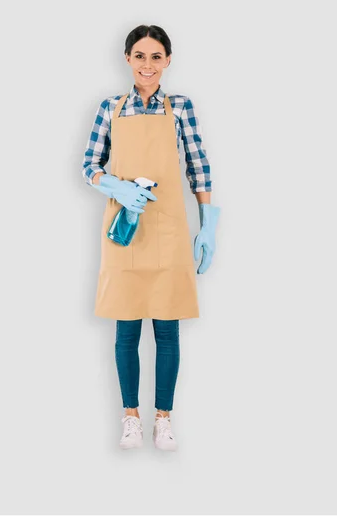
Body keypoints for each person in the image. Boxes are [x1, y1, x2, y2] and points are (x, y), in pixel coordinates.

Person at [82, 24, 221, 451]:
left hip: (168, 227)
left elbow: (197, 164)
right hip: (125, 225)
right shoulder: (110, 107)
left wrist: (208, 223)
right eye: (139, 55)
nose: (147, 64)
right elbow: (89, 164)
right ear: (128, 59)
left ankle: (163, 418)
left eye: (155, 56)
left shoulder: (180, 107)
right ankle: (130, 418)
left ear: (167, 61)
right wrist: (114, 186)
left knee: (167, 327)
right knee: (126, 328)